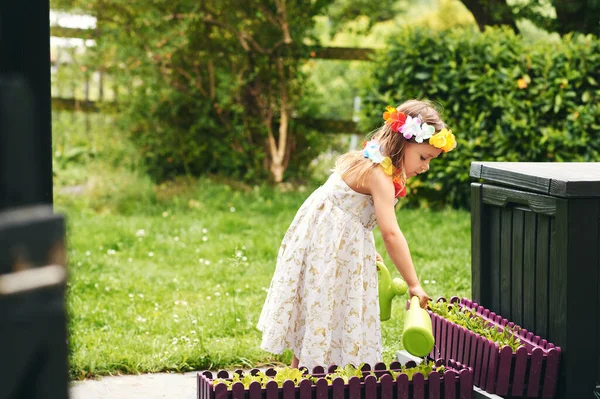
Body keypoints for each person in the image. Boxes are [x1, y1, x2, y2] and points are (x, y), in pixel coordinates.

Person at [256, 99, 457, 370]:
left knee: (320, 309)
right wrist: (413, 283)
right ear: (402, 143)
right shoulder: (379, 176)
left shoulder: (369, 156)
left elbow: (347, 211)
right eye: (423, 157)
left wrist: (358, 245)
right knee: (324, 309)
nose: (425, 167)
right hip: (328, 246)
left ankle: (301, 376)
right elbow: (391, 233)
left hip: (324, 239)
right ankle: (307, 377)